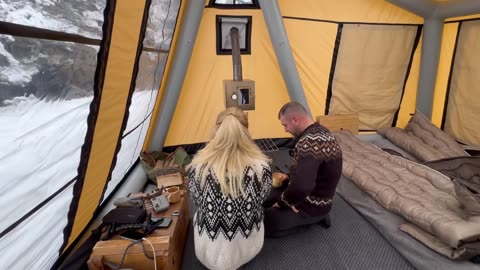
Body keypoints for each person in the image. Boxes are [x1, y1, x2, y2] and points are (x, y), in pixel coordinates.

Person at [186, 107, 272, 270]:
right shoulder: (262, 167)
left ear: (216, 130)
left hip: (207, 253)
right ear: (246, 131)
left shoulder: (198, 167)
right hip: (247, 250)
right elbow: (263, 199)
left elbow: (196, 200)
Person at [263, 101, 343, 237]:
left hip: (310, 206)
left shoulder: (308, 144)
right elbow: (312, 170)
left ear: (295, 120)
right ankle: (312, 214)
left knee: (261, 223)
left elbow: (302, 186)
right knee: (265, 196)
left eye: (285, 125)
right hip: (310, 193)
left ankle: (312, 220)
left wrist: (282, 203)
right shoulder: (323, 132)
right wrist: (289, 176)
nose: (285, 130)